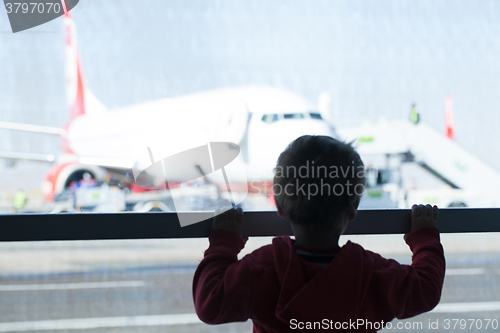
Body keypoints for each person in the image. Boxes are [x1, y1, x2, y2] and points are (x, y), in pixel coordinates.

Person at [193, 135, 445, 332]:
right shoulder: (372, 275)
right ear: (352, 208)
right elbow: (426, 289)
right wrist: (425, 238)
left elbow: (209, 303)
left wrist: (223, 244)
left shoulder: (262, 270)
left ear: (279, 205)